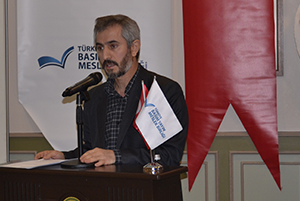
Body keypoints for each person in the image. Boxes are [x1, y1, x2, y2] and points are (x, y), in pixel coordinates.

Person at [35, 14, 188, 167]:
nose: (105, 55)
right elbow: (92, 151)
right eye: (100, 48)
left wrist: (116, 156)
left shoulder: (163, 91)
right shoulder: (93, 97)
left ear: (134, 48)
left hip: (144, 182)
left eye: (113, 46)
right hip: (103, 182)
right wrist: (64, 156)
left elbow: (170, 155)